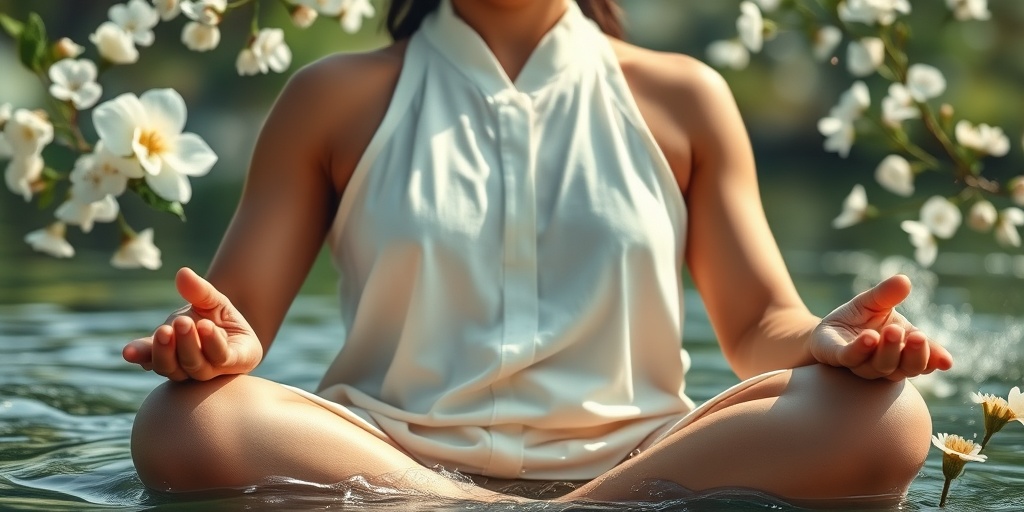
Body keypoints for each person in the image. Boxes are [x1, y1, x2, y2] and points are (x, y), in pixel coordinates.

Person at [122, 0, 953, 506]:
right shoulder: (331, 97)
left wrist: (825, 340)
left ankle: (531, 508)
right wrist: (215, 345)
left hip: (646, 460)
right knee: (188, 424)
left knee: (883, 416)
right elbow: (237, 322)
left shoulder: (684, 95)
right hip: (379, 459)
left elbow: (761, 323)